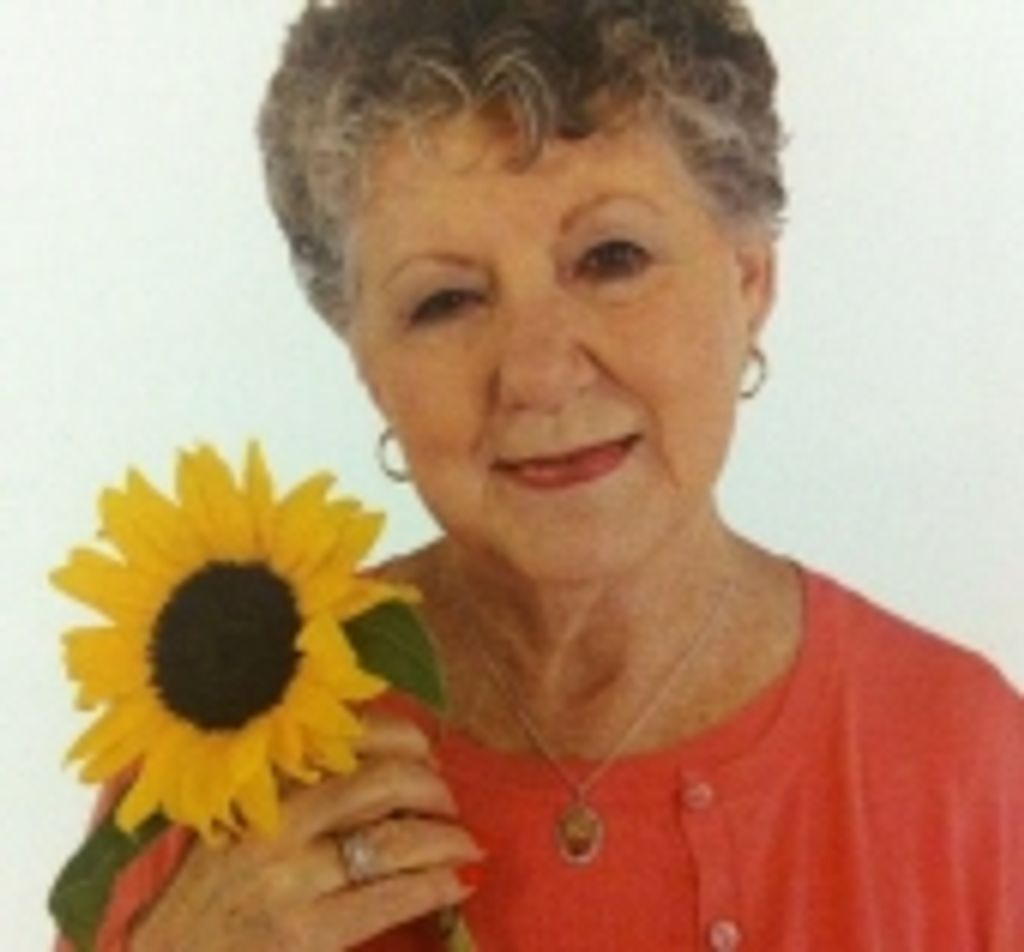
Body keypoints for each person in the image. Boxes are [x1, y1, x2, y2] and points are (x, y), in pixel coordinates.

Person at [60, 0, 1023, 948]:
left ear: (749, 282)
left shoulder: (966, 760)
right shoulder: (218, 745)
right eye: (445, 301)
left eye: (612, 258)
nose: (538, 372)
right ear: (367, 363)